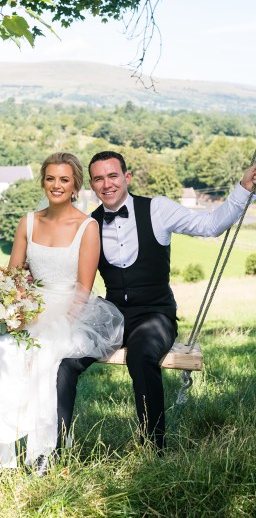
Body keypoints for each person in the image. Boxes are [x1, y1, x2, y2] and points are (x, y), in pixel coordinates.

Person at [0, 152, 124, 472]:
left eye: (65, 179)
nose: (57, 185)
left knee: (21, 354)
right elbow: (11, 279)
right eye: (50, 178)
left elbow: (82, 289)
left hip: (70, 314)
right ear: (43, 182)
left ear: (76, 186)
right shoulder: (29, 222)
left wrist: (49, 322)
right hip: (29, 308)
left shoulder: (87, 227)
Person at [56, 150, 256, 452]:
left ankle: (153, 448)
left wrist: (243, 187)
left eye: (113, 176)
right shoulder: (90, 224)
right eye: (98, 179)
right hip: (112, 316)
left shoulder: (157, 209)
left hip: (155, 315)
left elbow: (210, 225)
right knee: (66, 361)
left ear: (127, 177)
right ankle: (56, 445)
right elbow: (65, 271)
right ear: (93, 186)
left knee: (141, 356)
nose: (107, 184)